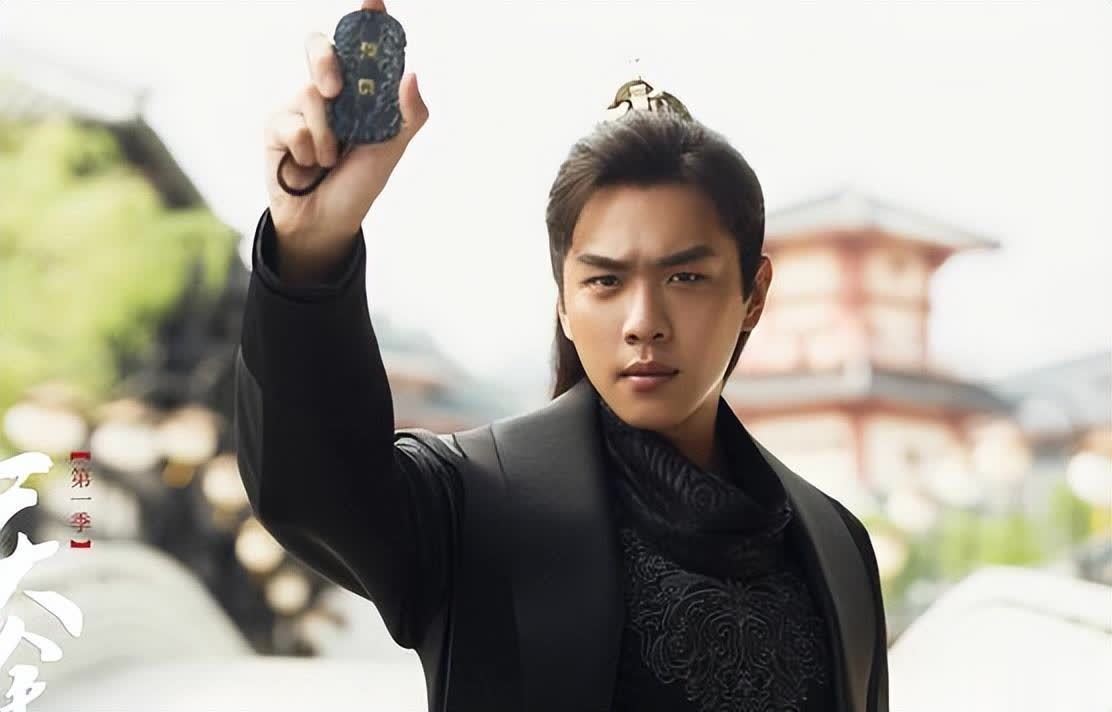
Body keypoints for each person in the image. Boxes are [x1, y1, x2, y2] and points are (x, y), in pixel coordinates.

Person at [235, 1, 889, 710]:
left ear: (753, 295)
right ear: (564, 305)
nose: (643, 323)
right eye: (606, 282)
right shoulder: (479, 505)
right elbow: (315, 488)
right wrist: (310, 245)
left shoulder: (836, 547)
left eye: (685, 278)